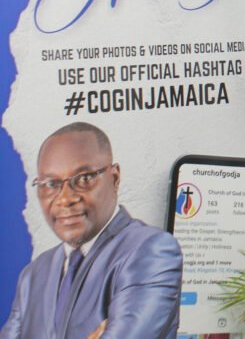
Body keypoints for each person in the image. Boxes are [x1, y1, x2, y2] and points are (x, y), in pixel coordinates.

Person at [1, 122, 182, 339]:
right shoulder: (33, 275)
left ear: (114, 178)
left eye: (84, 179)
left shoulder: (151, 251)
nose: (65, 198)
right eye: (50, 184)